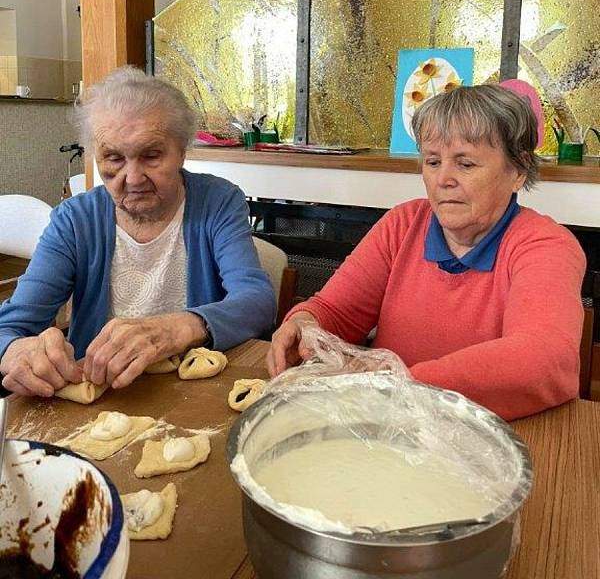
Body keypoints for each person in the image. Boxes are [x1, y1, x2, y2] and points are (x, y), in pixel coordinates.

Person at [267, 84, 585, 420]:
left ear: (518, 170)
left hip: (493, 438)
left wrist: (399, 382)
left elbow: (544, 361)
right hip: (388, 423)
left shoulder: (544, 245)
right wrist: (305, 323)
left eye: (465, 164)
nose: (443, 178)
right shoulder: (403, 225)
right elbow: (337, 310)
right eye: (433, 161)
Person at [0, 67, 276, 397]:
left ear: (182, 152)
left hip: (198, 393)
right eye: (114, 158)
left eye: (151, 155)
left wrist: (176, 329)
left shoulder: (217, 202)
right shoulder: (74, 220)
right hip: (102, 398)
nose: (132, 178)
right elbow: (11, 326)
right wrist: (15, 351)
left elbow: (257, 302)